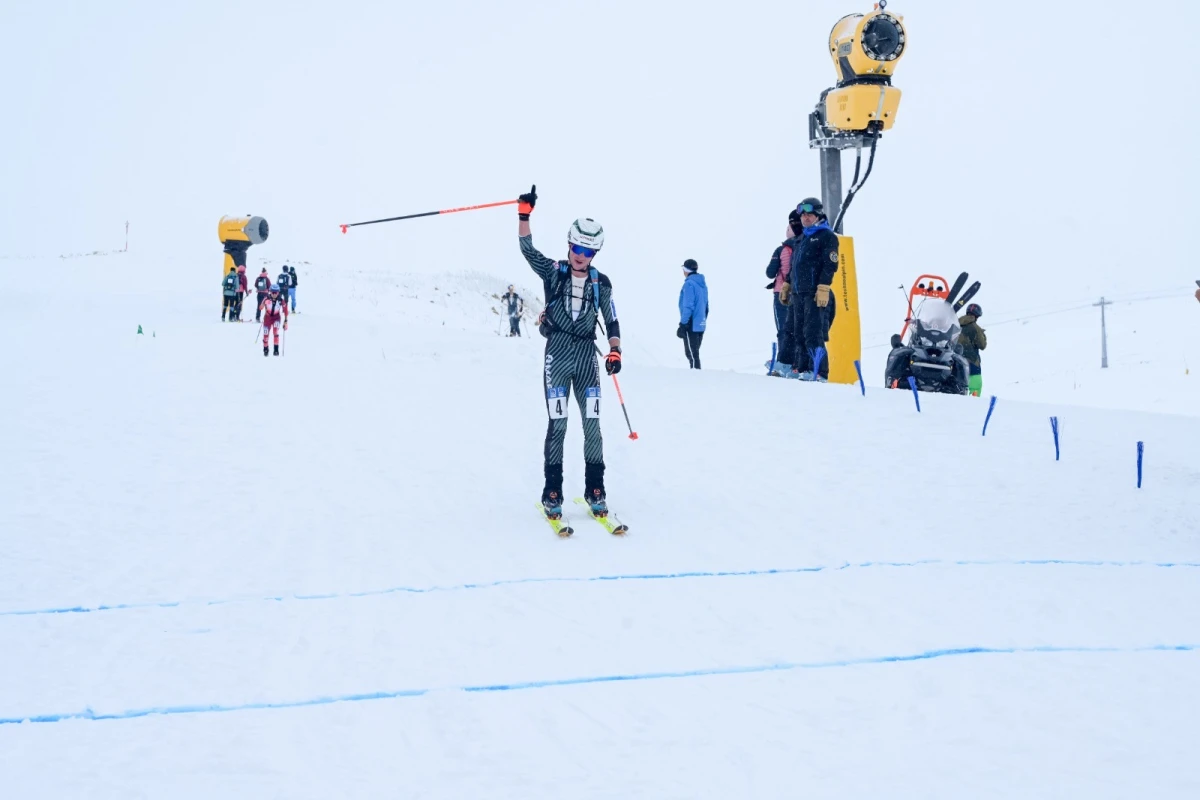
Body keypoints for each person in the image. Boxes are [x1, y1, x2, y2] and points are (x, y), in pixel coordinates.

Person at [517, 185, 622, 519]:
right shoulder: (554, 271)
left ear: (596, 254)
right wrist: (524, 214)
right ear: (569, 244)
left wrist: (615, 351)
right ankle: (552, 491)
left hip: (587, 359)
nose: (581, 255)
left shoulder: (600, 283)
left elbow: (612, 318)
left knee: (592, 423)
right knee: (558, 424)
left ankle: (596, 489)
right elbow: (527, 249)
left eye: (588, 251)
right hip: (557, 355)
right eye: (577, 247)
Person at [786, 198, 839, 381]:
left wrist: (824, 286)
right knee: (798, 334)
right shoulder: (802, 238)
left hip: (814, 293)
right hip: (798, 293)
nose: (805, 218)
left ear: (818, 215)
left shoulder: (826, 236)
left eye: (809, 214)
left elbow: (830, 263)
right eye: (803, 215)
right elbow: (795, 265)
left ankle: (818, 373)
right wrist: (787, 283)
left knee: (813, 334)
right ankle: (802, 370)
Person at [766, 210, 804, 374]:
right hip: (801, 293)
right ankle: (797, 363)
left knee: (783, 328)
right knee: (798, 329)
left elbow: (769, 272)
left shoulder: (781, 250)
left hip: (781, 292)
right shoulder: (805, 244)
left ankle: (783, 362)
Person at [678, 259, 708, 369]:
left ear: (686, 270)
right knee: (695, 353)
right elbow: (706, 305)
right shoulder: (702, 285)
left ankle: (695, 377)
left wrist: (683, 324)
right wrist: (703, 319)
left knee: (692, 355)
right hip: (701, 323)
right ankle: (696, 375)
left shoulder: (689, 284)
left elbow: (688, 306)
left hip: (691, 323)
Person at [958, 303, 987, 396]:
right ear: (977, 315)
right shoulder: (976, 328)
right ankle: (973, 405)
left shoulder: (956, 324)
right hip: (972, 361)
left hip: (956, 360)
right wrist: (983, 334)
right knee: (975, 387)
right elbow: (982, 345)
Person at [259, 284, 288, 356]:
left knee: (276, 333)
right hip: (267, 318)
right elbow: (260, 308)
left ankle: (276, 350)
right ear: (270, 292)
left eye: (276, 292)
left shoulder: (281, 300)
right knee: (265, 335)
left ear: (278, 292)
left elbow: (286, 311)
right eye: (273, 292)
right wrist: (262, 305)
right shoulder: (266, 299)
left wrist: (286, 321)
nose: (274, 294)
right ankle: (265, 349)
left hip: (276, 318)